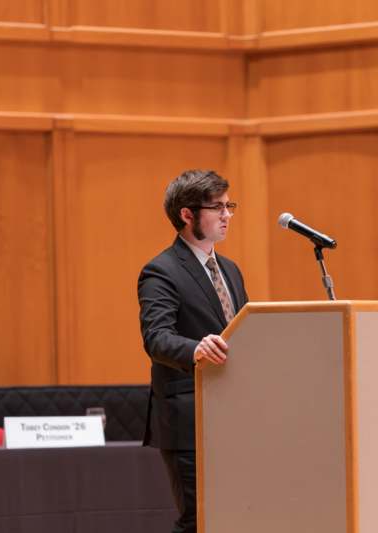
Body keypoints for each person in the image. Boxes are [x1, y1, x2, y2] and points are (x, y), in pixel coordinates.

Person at [138, 169, 249, 533]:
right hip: (189, 419)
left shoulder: (230, 270)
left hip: (236, 415)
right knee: (198, 522)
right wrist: (196, 348)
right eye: (216, 207)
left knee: (238, 516)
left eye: (228, 205)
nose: (227, 214)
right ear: (187, 214)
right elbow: (157, 338)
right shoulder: (161, 271)